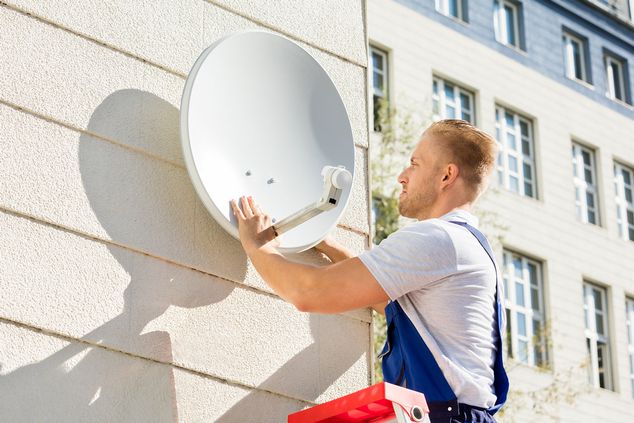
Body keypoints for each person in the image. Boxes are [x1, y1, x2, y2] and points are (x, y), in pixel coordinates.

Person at [230, 119, 509, 423]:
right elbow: (387, 302)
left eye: (414, 164)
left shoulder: (439, 239)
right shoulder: (466, 245)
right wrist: (326, 245)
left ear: (446, 175)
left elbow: (308, 293)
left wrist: (258, 247)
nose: (402, 176)